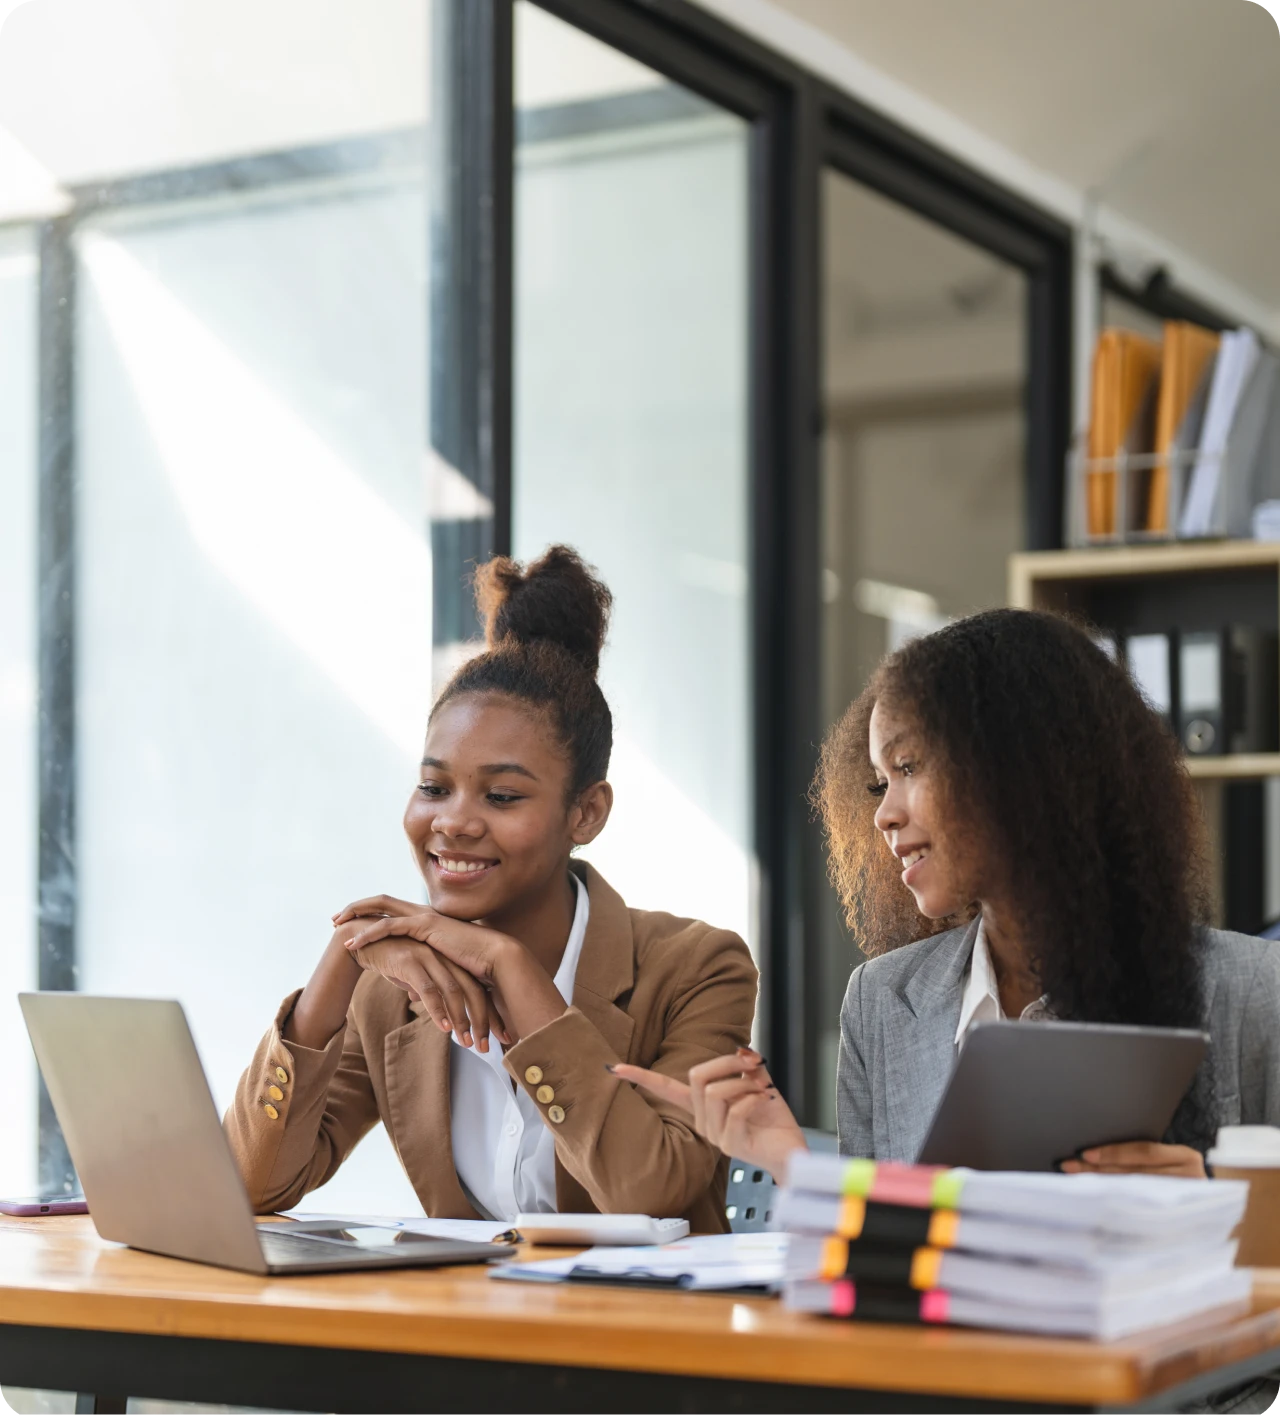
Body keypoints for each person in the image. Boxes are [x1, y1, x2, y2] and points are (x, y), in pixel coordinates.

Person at [614, 608, 1280, 1184]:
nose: (884, 815)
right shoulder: (880, 1002)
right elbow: (878, 1272)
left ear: (1024, 765)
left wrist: (1226, 1195)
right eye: (880, 781)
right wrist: (793, 1164)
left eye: (908, 768)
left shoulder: (1256, 992)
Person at [226, 545, 757, 1230]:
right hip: (468, 1331)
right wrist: (341, 965)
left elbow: (647, 1190)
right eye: (432, 787)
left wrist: (509, 969)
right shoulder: (393, 989)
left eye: (502, 796)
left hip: (641, 1333)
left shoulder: (696, 967)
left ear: (586, 813)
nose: (452, 823)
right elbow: (252, 1187)